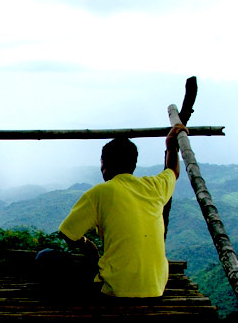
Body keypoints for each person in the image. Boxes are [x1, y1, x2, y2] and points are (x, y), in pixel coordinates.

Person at [53, 124, 188, 298]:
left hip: (115, 290)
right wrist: (170, 146)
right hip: (155, 289)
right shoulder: (154, 186)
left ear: (104, 163)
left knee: (46, 257)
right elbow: (173, 171)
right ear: (134, 164)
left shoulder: (99, 193)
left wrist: (89, 247)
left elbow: (67, 232)